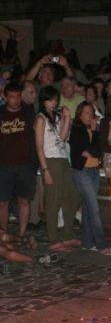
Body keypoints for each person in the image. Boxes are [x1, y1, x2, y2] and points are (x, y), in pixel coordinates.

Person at [34, 85, 79, 252]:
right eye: (50, 100)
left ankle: (67, 235)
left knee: (72, 195)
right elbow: (39, 146)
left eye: (55, 100)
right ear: (43, 101)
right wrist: (45, 170)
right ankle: (53, 239)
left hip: (62, 159)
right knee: (53, 200)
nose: (53, 103)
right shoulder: (40, 119)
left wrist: (66, 118)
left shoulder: (56, 117)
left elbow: (62, 137)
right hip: (50, 161)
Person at [69, 101, 111, 255]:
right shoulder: (76, 129)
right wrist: (91, 148)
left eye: (91, 113)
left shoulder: (95, 130)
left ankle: (87, 243)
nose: (90, 116)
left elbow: (98, 150)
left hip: (93, 170)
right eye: (86, 113)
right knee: (94, 208)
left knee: (88, 208)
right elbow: (84, 150)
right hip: (81, 172)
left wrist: (95, 134)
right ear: (80, 114)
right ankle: (102, 245)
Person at [0, 82, 38, 249]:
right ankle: (3, 234)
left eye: (18, 96)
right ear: (5, 97)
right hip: (4, 166)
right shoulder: (0, 114)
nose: (15, 100)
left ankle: (22, 235)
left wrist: (34, 163)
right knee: (3, 202)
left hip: (25, 165)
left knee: (24, 201)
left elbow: (35, 139)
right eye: (12, 97)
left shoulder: (28, 113)